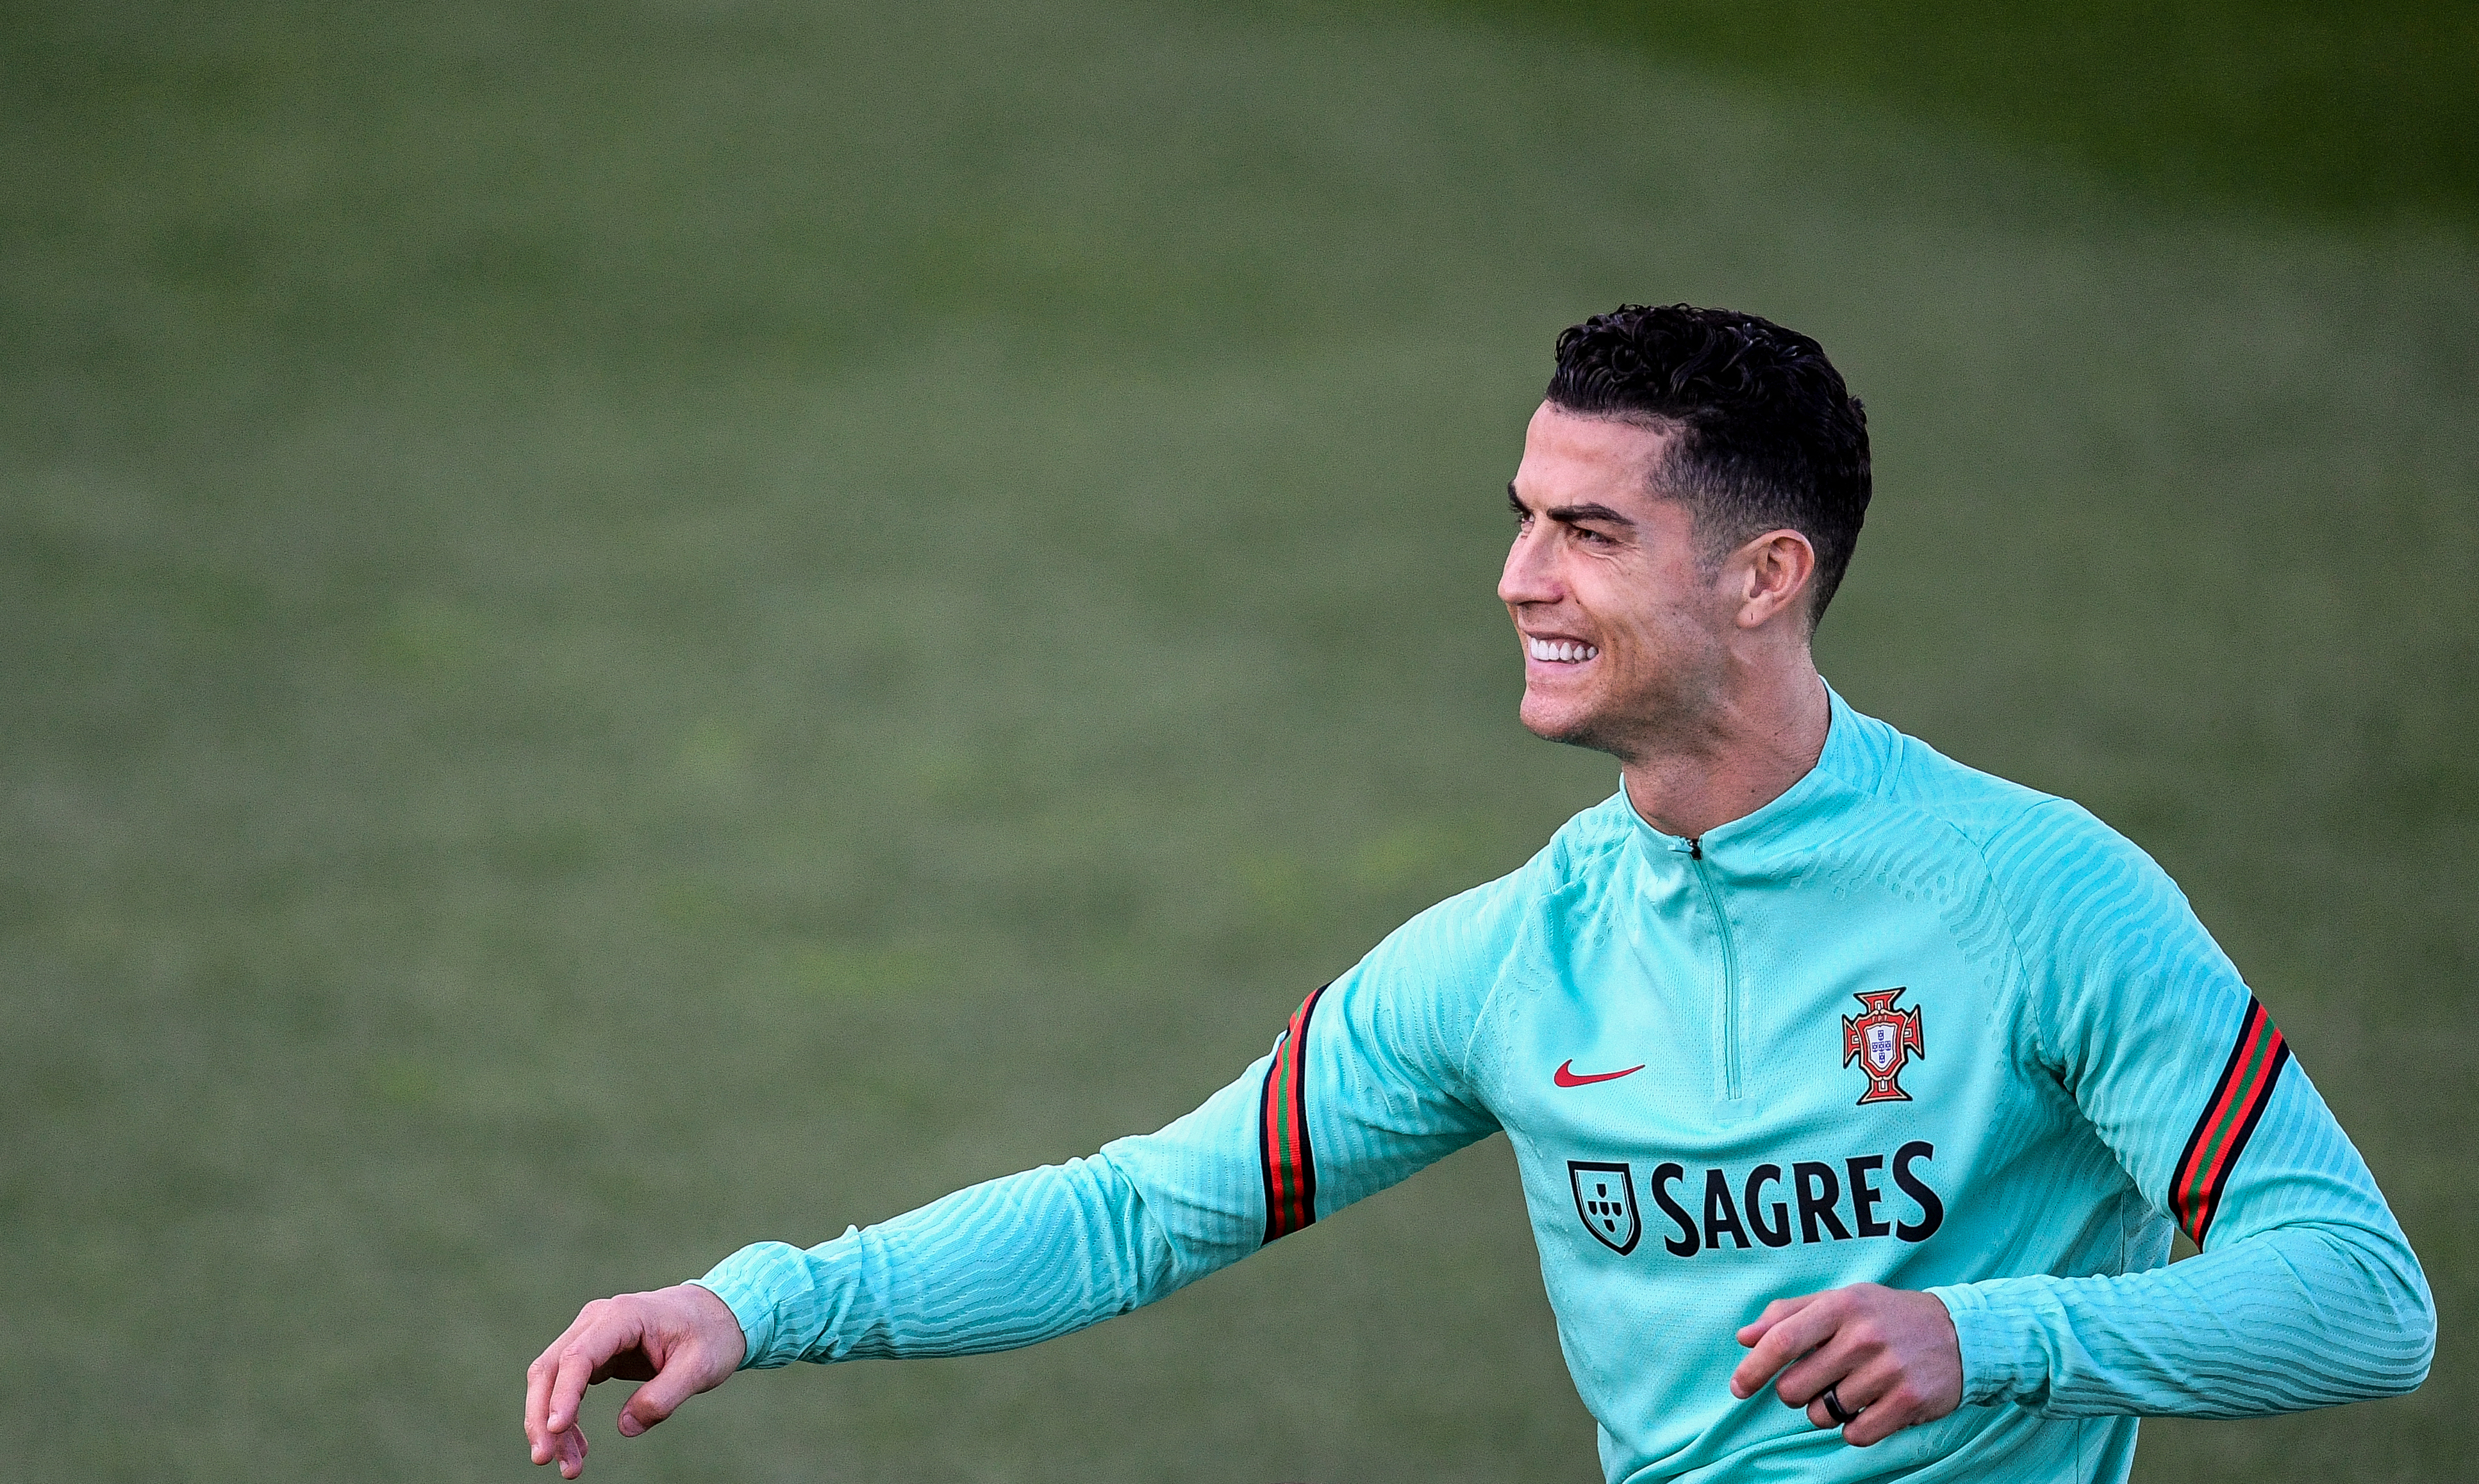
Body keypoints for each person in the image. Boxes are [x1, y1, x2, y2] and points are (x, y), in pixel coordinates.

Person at [523, 304, 2434, 1483]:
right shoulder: (1505, 961)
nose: (1520, 576)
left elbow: (2362, 1300)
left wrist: (1991, 1332)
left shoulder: (2039, 899)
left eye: (1588, 530)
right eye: (1522, 514)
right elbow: (1135, 1212)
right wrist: (755, 1300)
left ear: (1765, 576)